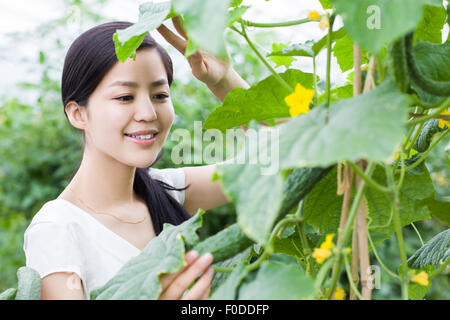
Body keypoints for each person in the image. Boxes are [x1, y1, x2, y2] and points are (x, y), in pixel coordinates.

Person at [23, 17, 250, 300]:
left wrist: (224, 80)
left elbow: (286, 160)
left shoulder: (166, 190)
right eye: (125, 97)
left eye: (159, 95)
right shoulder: (57, 229)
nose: (148, 113)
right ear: (77, 113)